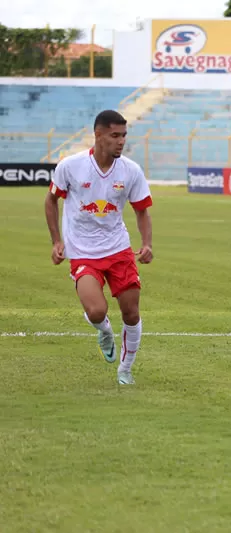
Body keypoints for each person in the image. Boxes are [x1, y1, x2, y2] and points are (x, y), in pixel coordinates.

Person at [44, 110, 153, 386]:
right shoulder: (71, 166)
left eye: (124, 135)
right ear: (98, 135)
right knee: (96, 311)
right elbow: (51, 200)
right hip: (82, 252)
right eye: (115, 135)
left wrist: (147, 244)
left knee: (131, 313)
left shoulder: (131, 170)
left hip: (118, 249)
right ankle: (104, 331)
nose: (121, 141)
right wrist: (57, 241)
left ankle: (125, 371)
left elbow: (141, 210)